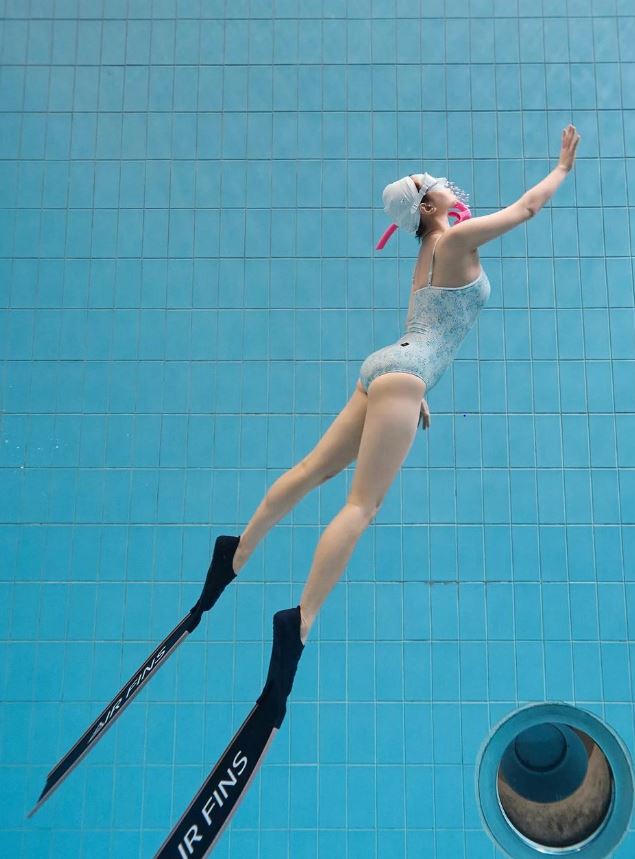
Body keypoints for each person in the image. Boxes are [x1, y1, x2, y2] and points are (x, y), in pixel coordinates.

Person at [215, 125, 581, 649]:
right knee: (361, 506)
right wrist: (562, 168)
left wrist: (415, 389)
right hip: (404, 374)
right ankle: (300, 622)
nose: (446, 184)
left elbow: (420, 323)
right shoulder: (454, 240)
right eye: (434, 183)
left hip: (388, 367)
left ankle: (235, 553)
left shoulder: (426, 252)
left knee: (311, 469)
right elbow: (526, 208)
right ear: (428, 207)